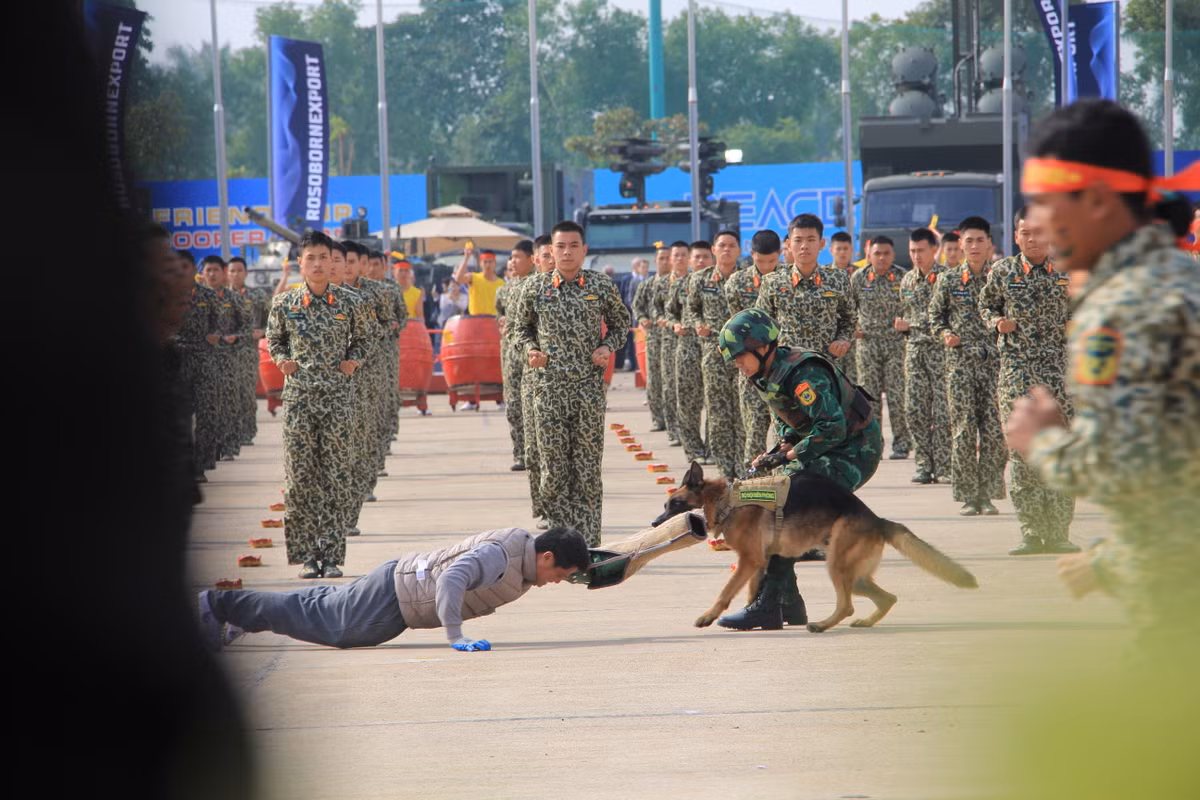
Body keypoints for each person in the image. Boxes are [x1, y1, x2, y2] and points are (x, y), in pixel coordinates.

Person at [1003, 98, 1199, 643]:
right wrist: (1115, 557)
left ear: (1094, 200)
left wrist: (1042, 443)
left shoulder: (1125, 309)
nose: (1036, 223)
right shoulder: (1176, 282)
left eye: (1045, 204)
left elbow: (1121, 467)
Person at [713, 308, 883, 630]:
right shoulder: (765, 373)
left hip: (855, 450)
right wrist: (776, 453)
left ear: (762, 347)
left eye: (739, 356)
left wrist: (792, 453)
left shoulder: (805, 374)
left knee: (786, 507)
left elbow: (832, 427)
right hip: (827, 445)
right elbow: (792, 422)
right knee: (770, 499)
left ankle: (770, 605)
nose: (737, 364)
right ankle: (789, 604)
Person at [198, 527, 591, 652]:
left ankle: (241, 615)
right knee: (333, 628)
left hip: (395, 594)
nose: (557, 581)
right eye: (561, 573)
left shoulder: (521, 561)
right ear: (547, 557)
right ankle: (220, 605)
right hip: (392, 599)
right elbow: (453, 578)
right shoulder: (500, 557)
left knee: (317, 607)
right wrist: (455, 635)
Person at [513, 221, 631, 546]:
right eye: (560, 246)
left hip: (588, 392)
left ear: (584, 250)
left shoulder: (600, 285)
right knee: (553, 471)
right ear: (550, 250)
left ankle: (588, 543)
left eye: (573, 245)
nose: (567, 252)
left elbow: (622, 323)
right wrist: (530, 349)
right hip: (548, 392)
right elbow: (518, 329)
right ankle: (561, 543)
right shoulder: (534, 288)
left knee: (588, 470)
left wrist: (607, 347)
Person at [267, 230, 371, 578]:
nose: (316, 264)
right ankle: (307, 554)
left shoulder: (349, 303)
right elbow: (274, 339)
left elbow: (365, 338)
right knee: (300, 478)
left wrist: (353, 360)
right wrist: (282, 359)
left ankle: (331, 556)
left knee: (336, 476)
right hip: (299, 401)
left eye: (322, 257)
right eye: (309, 258)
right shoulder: (285, 303)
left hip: (338, 402)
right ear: (300, 263)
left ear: (332, 261)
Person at [980, 207, 1080, 556]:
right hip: (1017, 372)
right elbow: (986, 306)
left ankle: (1059, 531)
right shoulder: (1003, 271)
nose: (1033, 239)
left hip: (1058, 372)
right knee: (1023, 453)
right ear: (1016, 235)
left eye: (1040, 232)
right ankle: (1031, 531)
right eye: (1026, 233)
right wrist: (996, 322)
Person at [927, 216, 1007, 516]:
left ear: (990, 245)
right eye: (968, 241)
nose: (974, 246)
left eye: (980, 241)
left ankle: (988, 493)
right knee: (963, 430)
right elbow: (936, 317)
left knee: (992, 432)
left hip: (994, 363)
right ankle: (968, 494)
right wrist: (945, 334)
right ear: (960, 245)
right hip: (959, 364)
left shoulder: (999, 278)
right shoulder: (948, 280)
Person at [688, 231, 745, 479]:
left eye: (732, 245)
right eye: (722, 245)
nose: (726, 250)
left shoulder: (747, 279)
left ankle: (743, 467)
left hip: (744, 354)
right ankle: (724, 468)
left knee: (743, 411)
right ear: (714, 249)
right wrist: (698, 323)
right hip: (713, 352)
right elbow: (692, 308)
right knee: (718, 413)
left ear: (739, 250)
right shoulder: (700, 279)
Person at [896, 228, 951, 484]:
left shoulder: (947, 279)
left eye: (921, 251)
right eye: (912, 251)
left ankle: (944, 465)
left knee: (942, 411)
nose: (916, 256)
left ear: (934, 250)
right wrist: (903, 325)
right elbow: (906, 311)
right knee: (915, 409)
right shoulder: (907, 281)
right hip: (914, 351)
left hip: (941, 352)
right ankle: (923, 464)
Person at [849, 235, 911, 460]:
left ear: (893, 255)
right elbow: (848, 309)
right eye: (877, 253)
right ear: (869, 255)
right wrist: (853, 327)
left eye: (886, 253)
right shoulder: (858, 278)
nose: (882, 258)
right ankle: (873, 445)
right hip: (867, 345)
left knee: (897, 396)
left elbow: (912, 307)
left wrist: (907, 324)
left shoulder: (903, 278)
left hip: (896, 344)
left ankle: (902, 444)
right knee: (868, 398)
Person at [495, 239, 535, 470]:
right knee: (513, 406)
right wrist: (500, 323)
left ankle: (533, 452)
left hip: (529, 354)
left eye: (517, 257)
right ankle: (519, 453)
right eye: (511, 258)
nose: (512, 262)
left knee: (531, 407)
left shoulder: (537, 285)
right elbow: (499, 314)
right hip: (509, 355)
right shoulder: (505, 290)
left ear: (531, 259)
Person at [668, 241, 706, 462]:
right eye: (697, 257)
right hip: (687, 347)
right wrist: (675, 324)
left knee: (717, 403)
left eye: (705, 257)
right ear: (691, 261)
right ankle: (693, 448)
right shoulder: (681, 285)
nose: (701, 261)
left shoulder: (720, 282)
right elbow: (670, 311)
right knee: (688, 401)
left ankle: (714, 449)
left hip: (713, 347)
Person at [227, 256, 270, 448]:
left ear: (245, 272)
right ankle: (230, 433)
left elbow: (272, 320)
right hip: (222, 353)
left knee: (246, 393)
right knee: (227, 394)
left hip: (248, 352)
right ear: (227, 274)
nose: (235, 274)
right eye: (232, 270)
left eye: (239, 270)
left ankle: (247, 431)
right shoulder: (220, 297)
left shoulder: (258, 296)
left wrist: (264, 332)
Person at [653, 242, 688, 446]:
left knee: (687, 390)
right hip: (667, 341)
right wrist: (661, 319)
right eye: (676, 255)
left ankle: (687, 432)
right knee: (669, 387)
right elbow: (654, 308)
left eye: (684, 255)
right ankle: (674, 430)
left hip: (691, 341)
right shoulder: (662, 283)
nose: (679, 259)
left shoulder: (694, 281)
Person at [632, 244, 670, 432]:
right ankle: (658, 418)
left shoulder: (678, 284)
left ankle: (674, 421)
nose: (665, 261)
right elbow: (637, 307)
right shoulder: (646, 285)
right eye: (661, 258)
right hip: (654, 339)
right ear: (655, 261)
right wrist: (643, 319)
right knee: (654, 381)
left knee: (672, 382)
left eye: (668, 258)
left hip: (674, 340)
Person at [829, 230, 859, 383]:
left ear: (851, 250)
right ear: (831, 250)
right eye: (838, 248)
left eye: (845, 249)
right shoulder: (824, 275)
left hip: (854, 338)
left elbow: (862, 304)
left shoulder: (859, 275)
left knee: (853, 380)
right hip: (830, 337)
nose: (842, 252)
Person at [454, 246, 505, 315]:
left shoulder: (501, 283)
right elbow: (458, 279)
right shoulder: (473, 277)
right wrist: (466, 258)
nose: (488, 265)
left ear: (495, 263)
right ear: (480, 264)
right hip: (476, 319)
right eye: (485, 262)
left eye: (490, 262)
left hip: (493, 321)